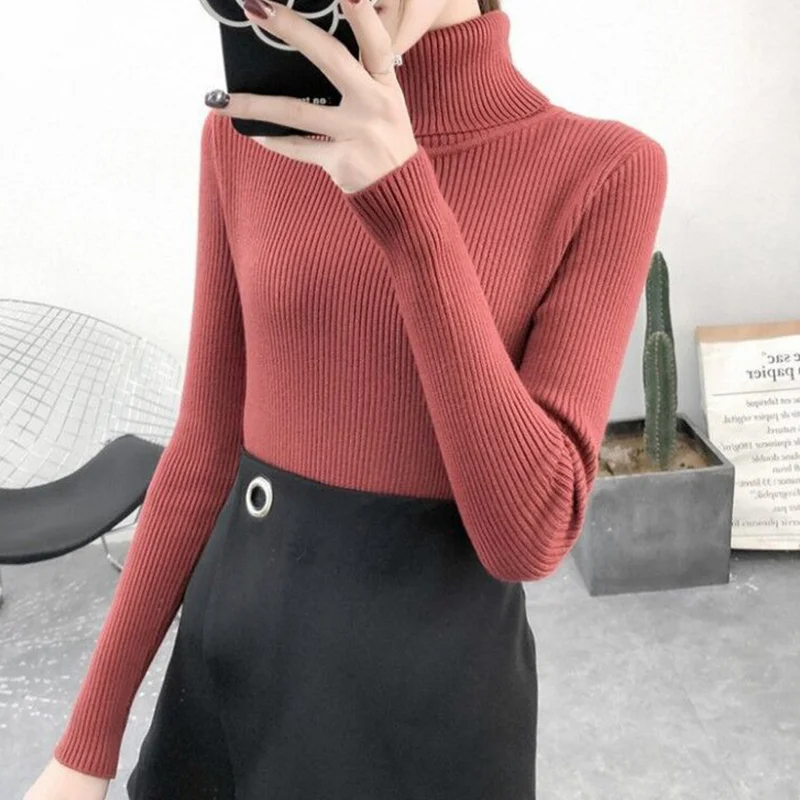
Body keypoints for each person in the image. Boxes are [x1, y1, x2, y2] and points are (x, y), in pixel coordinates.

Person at [24, 0, 668, 797]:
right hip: (231, 675)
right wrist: (86, 744)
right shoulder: (247, 138)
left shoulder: (604, 168)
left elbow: (526, 539)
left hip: (428, 711)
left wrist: (404, 200)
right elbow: (202, 450)